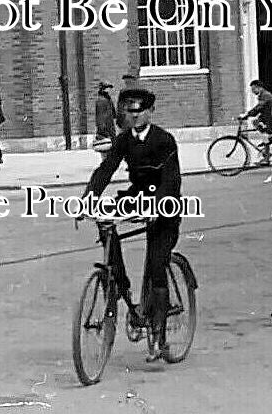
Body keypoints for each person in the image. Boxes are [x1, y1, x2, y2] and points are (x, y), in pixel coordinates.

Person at [82, 87, 182, 362]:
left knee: (156, 264)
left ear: (150, 112)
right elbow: (106, 169)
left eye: (140, 112)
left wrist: (160, 206)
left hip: (166, 203)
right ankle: (118, 282)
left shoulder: (165, 140)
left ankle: (160, 336)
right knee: (106, 224)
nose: (134, 117)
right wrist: (88, 199)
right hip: (137, 197)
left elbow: (171, 180)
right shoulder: (124, 139)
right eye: (130, 112)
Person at [241, 80, 272, 166]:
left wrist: (247, 114)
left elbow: (259, 107)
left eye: (253, 89)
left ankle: (266, 158)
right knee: (256, 122)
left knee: (265, 136)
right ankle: (267, 141)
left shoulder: (265, 95)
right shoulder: (263, 95)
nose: (253, 91)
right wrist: (250, 115)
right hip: (268, 116)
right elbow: (260, 108)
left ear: (259, 88)